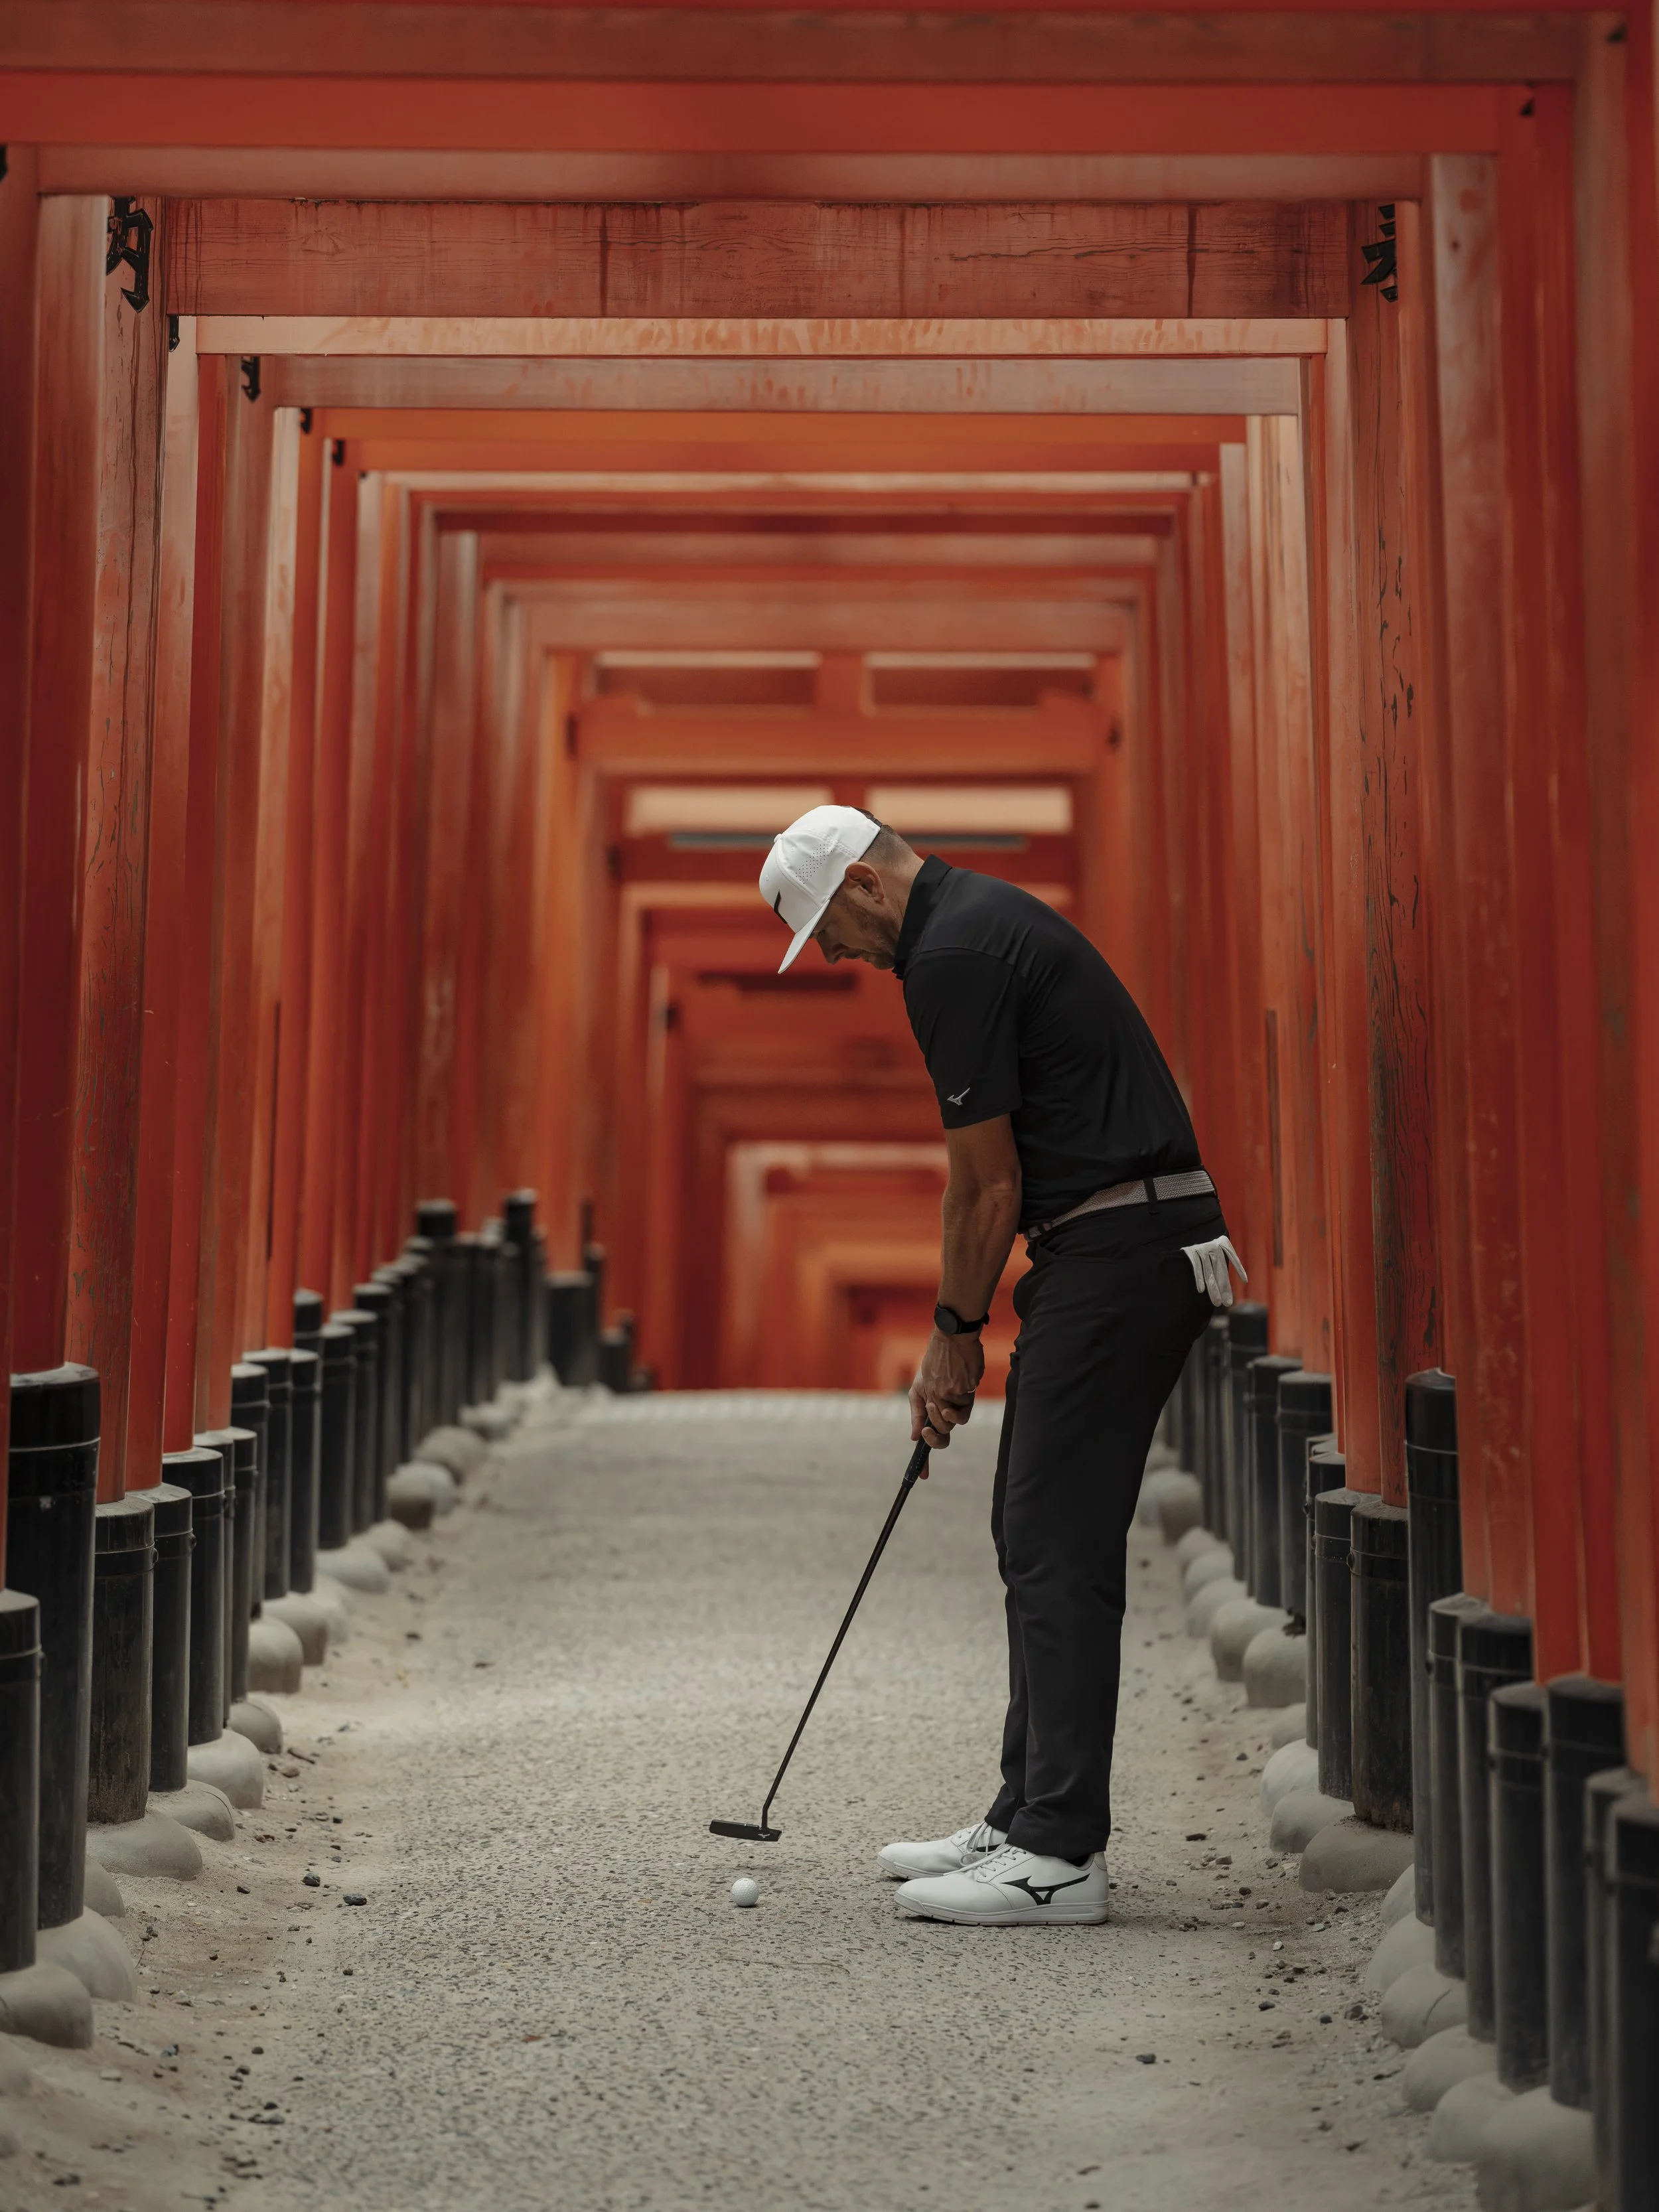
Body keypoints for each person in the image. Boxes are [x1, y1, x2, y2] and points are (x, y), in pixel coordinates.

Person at [758, 804, 1244, 1926]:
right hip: (1114, 1249)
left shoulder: (952, 957)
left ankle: (1062, 1856)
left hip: (1124, 1250)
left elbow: (985, 1184)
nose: (833, 955)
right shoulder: (971, 926)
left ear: (869, 887)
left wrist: (950, 1330)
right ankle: (1025, 1813)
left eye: (829, 929)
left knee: (1056, 1543)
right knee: (1030, 1530)